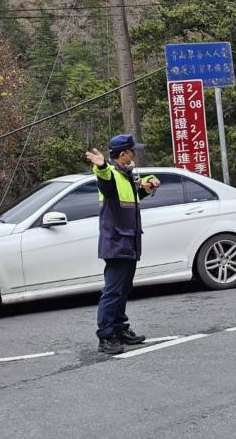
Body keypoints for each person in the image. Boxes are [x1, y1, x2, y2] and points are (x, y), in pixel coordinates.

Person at [84, 134, 160, 355]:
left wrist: (148, 186)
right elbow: (106, 182)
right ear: (123, 154)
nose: (134, 154)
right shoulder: (112, 175)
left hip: (129, 240)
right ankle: (106, 336)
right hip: (117, 241)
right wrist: (101, 167)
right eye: (132, 151)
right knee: (113, 290)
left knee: (123, 289)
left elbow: (134, 195)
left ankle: (119, 329)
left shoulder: (127, 176)